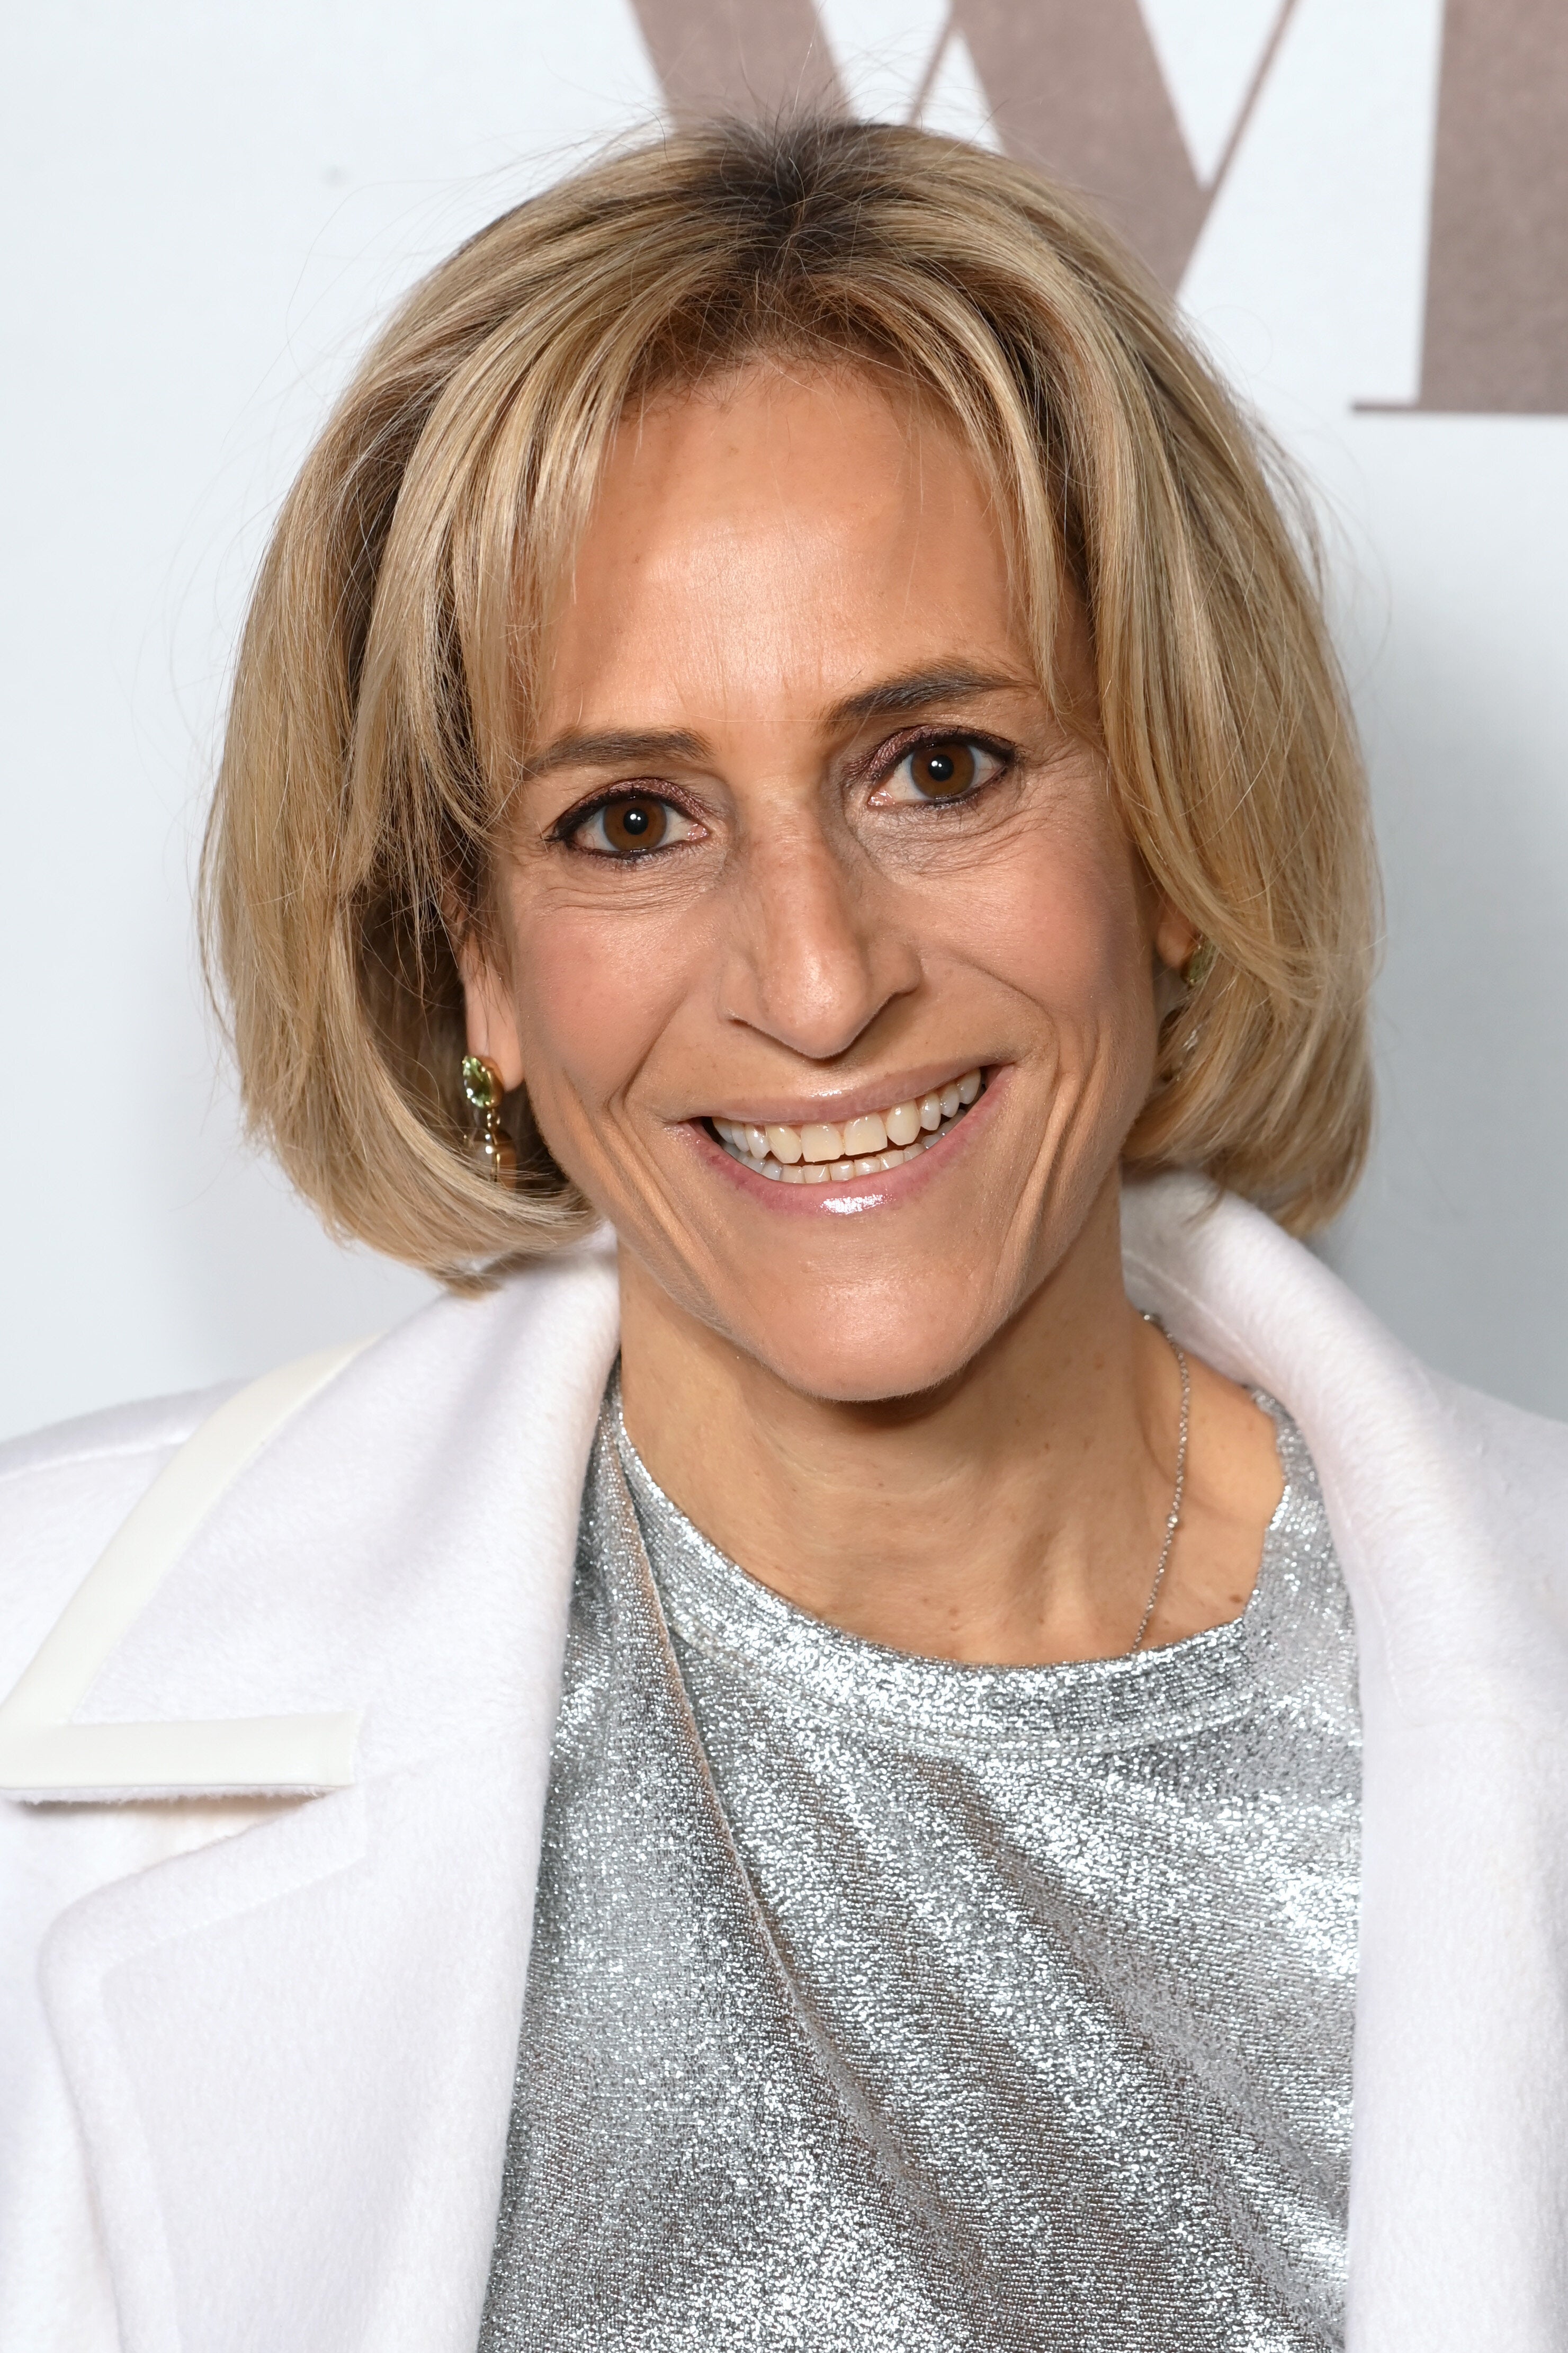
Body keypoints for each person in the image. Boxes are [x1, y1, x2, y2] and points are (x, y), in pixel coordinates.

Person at [1, 117, 1563, 2353]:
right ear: (476, 960)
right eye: (630, 820)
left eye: (939, 767)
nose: (818, 983)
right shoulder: (37, 1673)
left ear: (1176, 827)